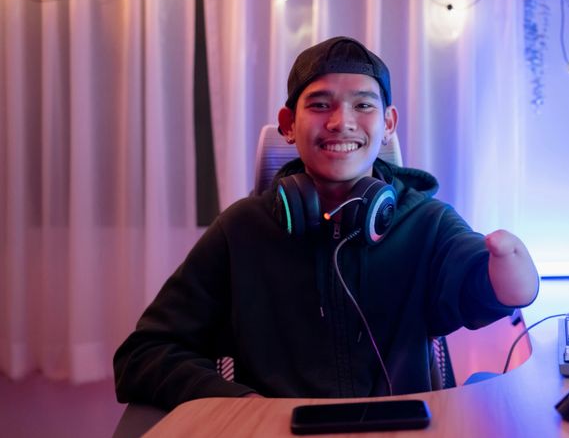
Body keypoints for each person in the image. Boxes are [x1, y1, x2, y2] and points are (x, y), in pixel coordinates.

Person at [113, 36, 539, 410]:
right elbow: (144, 354)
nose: (341, 122)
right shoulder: (240, 230)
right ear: (288, 125)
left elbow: (484, 289)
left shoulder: (426, 222)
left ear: (388, 124)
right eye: (319, 105)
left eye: (363, 105)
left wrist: (507, 266)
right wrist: (242, 404)